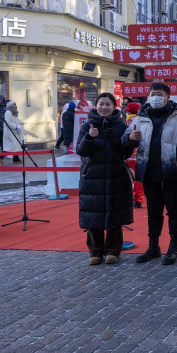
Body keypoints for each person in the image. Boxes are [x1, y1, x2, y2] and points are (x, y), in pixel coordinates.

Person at [122, 83, 177, 265]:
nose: (155, 97)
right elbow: (126, 136)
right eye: (153, 93)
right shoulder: (140, 117)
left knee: (173, 211)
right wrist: (130, 139)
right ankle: (153, 247)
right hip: (149, 171)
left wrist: (176, 156)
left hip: (171, 171)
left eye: (159, 94)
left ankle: (173, 248)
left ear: (167, 97)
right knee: (154, 211)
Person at [75, 93, 133, 265]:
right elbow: (81, 150)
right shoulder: (87, 125)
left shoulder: (121, 126)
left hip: (116, 175)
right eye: (101, 104)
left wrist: (130, 141)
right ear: (96, 105)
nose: (104, 108)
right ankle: (95, 251)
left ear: (114, 106)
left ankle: (113, 250)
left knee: (116, 214)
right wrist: (89, 138)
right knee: (94, 214)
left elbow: (125, 153)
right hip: (93, 175)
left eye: (108, 104)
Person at [124, 101, 144, 209]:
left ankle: (132, 198)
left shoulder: (129, 121)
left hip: (130, 153)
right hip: (139, 153)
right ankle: (139, 199)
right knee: (138, 178)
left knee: (129, 177)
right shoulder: (142, 120)